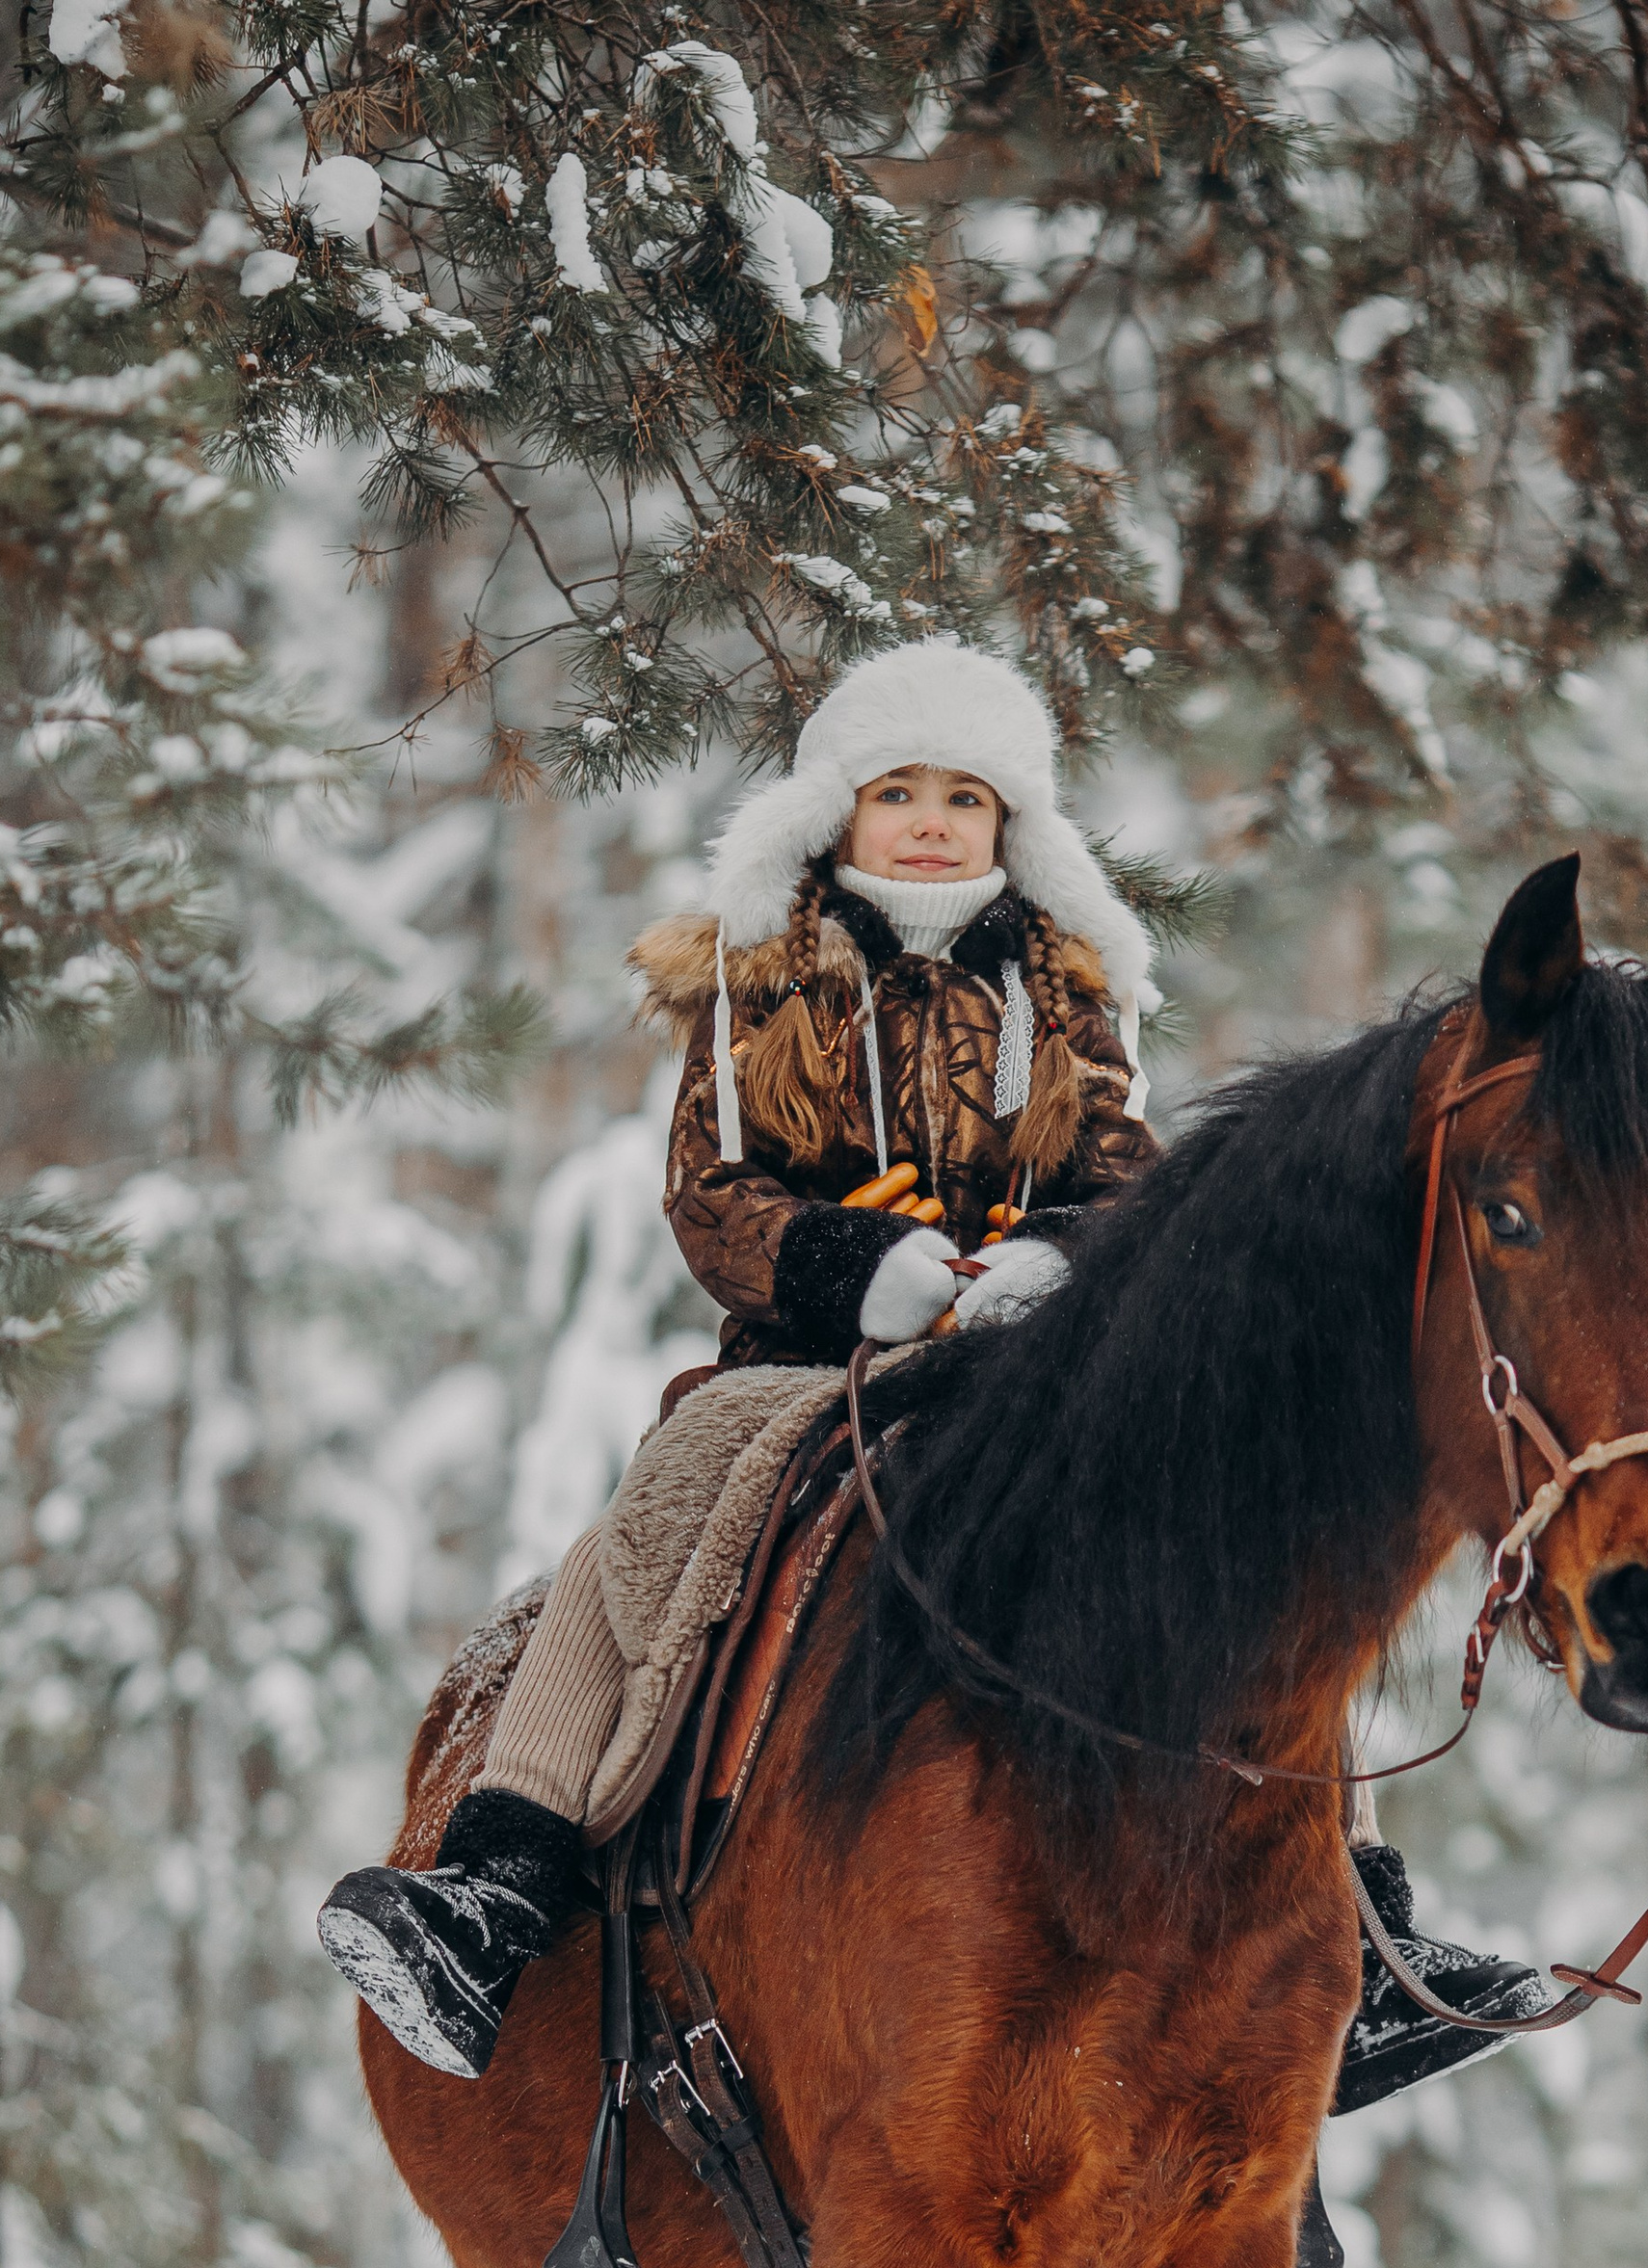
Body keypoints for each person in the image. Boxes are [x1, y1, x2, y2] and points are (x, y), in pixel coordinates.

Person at [318, 640, 1546, 2187]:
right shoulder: (761, 978)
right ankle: (504, 1875)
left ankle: (1364, 1925)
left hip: (1038, 1362)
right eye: (896, 792)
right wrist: (851, 1265)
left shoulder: (1066, 990)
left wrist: (1059, 1264)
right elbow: (711, 1191)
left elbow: (1127, 1181)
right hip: (804, 1358)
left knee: (1240, 1546)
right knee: (657, 1515)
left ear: (1008, 825)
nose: (928, 822)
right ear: (836, 814)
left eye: (962, 798)